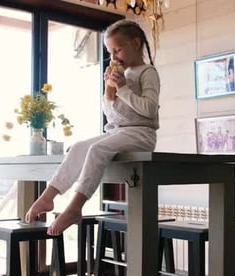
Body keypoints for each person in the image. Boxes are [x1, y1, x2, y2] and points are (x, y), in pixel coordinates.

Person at [25, 19, 161, 235]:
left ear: (136, 43)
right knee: (80, 147)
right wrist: (110, 93)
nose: (114, 57)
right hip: (119, 131)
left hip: (141, 133)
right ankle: (48, 197)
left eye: (118, 50)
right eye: (110, 52)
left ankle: (75, 208)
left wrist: (123, 89)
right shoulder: (122, 75)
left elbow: (150, 110)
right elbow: (113, 117)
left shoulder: (147, 72)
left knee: (97, 149)